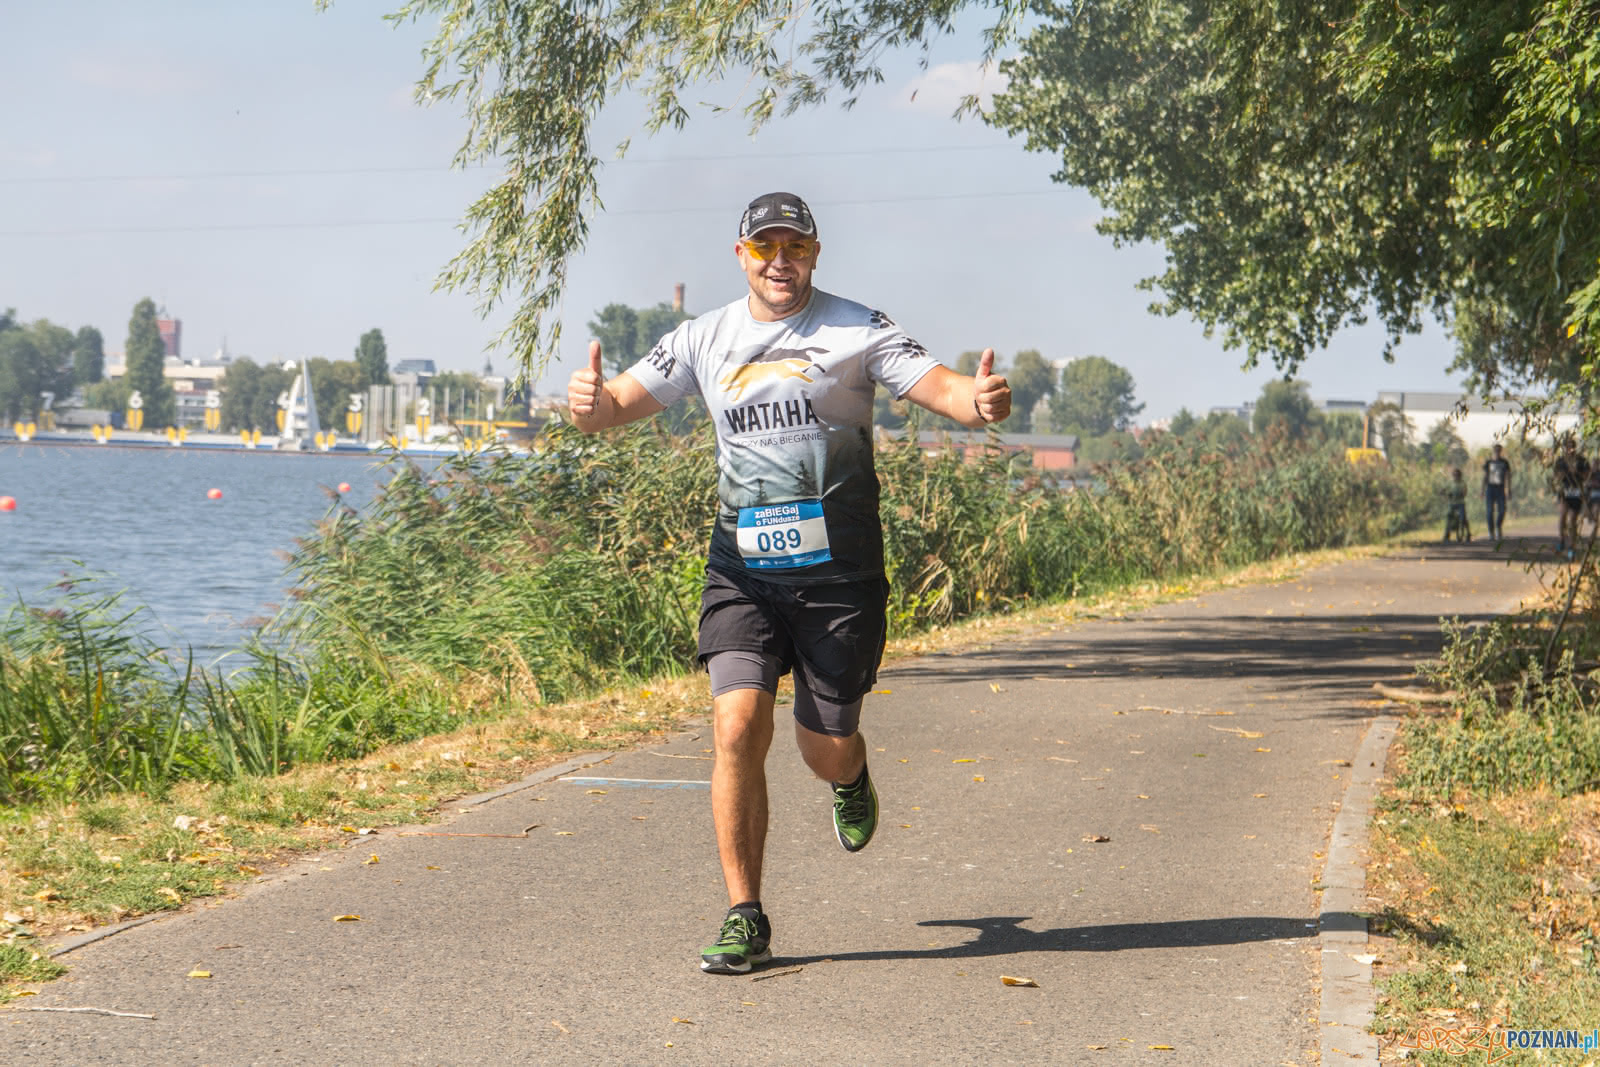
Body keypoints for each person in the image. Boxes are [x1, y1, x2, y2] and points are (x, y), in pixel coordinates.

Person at [565, 192, 1012, 974]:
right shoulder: (706, 336)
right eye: (765, 248)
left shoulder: (855, 327)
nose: (781, 262)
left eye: (795, 248)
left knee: (823, 747)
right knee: (736, 726)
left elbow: (941, 387)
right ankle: (746, 915)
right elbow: (614, 408)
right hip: (742, 570)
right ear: (740, 254)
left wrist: (976, 404)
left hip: (839, 578)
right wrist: (589, 405)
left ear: (815, 253)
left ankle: (853, 775)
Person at [1553, 436, 1590, 558]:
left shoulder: (1582, 460)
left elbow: (1586, 476)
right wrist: (1564, 473)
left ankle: (1572, 546)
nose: (1570, 449)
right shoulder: (1560, 461)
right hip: (1565, 491)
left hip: (1577, 492)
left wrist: (1576, 472)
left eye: (1572, 446)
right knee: (1562, 514)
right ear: (1564, 448)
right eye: (1567, 447)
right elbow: (1556, 477)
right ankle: (1561, 539)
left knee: (1572, 519)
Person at [1481, 443, 1511, 541]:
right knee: (1489, 512)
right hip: (1490, 488)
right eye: (1495, 450)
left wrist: (1508, 489)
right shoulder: (1488, 462)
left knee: (1502, 510)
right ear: (1493, 451)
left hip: (1500, 488)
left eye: (1499, 450)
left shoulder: (1505, 462)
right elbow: (1485, 477)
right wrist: (1482, 490)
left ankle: (1498, 527)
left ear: (1501, 451)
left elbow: (1508, 476)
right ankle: (1491, 532)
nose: (1497, 452)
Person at [1443, 467, 1470, 542]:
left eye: (1457, 475)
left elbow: (1465, 492)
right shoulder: (1450, 482)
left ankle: (1468, 533)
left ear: (1460, 475)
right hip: (1452, 503)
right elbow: (1444, 490)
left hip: (1460, 503)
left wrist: (1461, 494)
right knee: (1449, 517)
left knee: (1463, 518)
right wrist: (1446, 494)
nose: (1456, 476)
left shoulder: (1462, 483)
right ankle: (1446, 535)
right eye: (1454, 475)